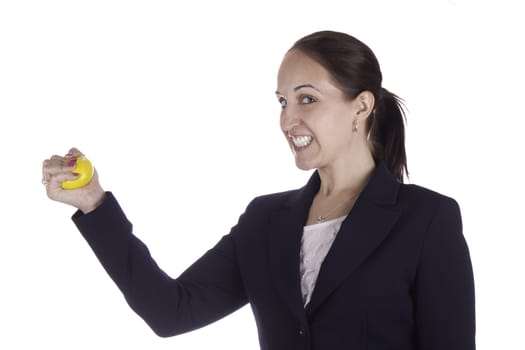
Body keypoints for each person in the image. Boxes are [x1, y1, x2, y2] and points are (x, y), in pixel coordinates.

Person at [42, 30, 476, 349]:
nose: (288, 122)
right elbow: (170, 311)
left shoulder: (425, 219)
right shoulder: (266, 222)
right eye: (283, 102)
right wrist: (94, 203)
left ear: (361, 106)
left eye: (307, 99)